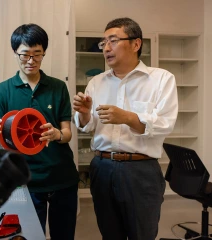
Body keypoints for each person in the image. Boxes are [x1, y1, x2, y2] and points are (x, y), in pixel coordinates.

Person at [73, 17, 178, 240]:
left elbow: (165, 123)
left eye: (113, 41)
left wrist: (128, 117)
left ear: (136, 44)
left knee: (142, 234)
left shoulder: (161, 79)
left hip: (140, 171)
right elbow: (88, 125)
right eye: (103, 43)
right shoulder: (96, 82)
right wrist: (83, 112)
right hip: (102, 167)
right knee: (110, 234)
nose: (106, 48)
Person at [0, 23, 79, 240]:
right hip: (24, 182)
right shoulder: (3, 90)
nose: (31, 61)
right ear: (15, 52)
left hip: (61, 178)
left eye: (37, 55)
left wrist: (57, 134)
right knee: (28, 236)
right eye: (25, 55)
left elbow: (67, 133)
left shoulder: (58, 87)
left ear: (44, 53)